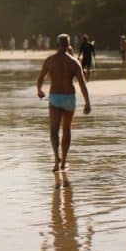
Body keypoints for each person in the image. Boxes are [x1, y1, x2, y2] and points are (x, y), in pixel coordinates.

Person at [37, 34, 92, 172]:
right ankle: (64, 161)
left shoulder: (49, 61)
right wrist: (87, 102)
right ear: (68, 46)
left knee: (54, 131)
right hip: (69, 98)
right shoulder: (74, 62)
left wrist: (39, 90)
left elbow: (40, 80)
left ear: (57, 45)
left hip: (55, 98)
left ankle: (56, 159)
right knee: (66, 130)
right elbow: (82, 85)